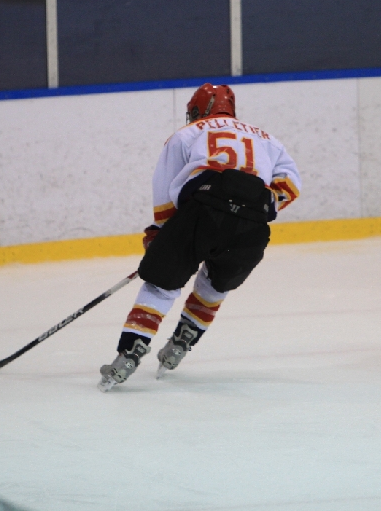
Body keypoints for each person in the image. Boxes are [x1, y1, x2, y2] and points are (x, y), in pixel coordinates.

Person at [98, 83, 301, 392]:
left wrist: (160, 233)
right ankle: (181, 344)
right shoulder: (268, 139)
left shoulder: (186, 134)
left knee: (162, 284)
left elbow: (164, 186)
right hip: (253, 226)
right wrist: (259, 204)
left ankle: (130, 353)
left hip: (202, 213)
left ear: (199, 109)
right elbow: (291, 185)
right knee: (215, 284)